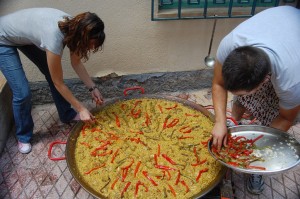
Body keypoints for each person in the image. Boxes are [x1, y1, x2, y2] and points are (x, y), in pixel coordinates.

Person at [211, 6, 300, 195]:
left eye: (244, 94)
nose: (240, 96)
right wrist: (219, 122)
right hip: (281, 17)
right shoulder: (230, 44)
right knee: (243, 96)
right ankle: (232, 121)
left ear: (266, 80)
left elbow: (285, 118)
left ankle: (257, 169)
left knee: (272, 111)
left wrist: (254, 151)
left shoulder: (291, 81)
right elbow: (218, 83)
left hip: (294, 45)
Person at [0, 8, 105, 154]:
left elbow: (76, 63)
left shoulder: (75, 28)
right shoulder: (54, 37)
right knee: (22, 92)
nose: (88, 49)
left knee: (52, 73)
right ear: (83, 37)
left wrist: (93, 88)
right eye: (89, 45)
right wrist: (81, 108)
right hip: (3, 38)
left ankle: (66, 114)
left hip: (25, 35)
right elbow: (58, 83)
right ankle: (23, 136)